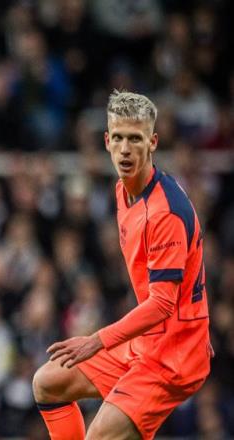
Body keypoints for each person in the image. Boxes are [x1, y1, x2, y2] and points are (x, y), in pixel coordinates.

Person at [33, 90, 212, 440]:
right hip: (148, 342)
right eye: (118, 138)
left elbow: (162, 304)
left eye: (135, 139)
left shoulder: (165, 213)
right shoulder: (122, 190)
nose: (125, 149)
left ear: (153, 142)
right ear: (106, 141)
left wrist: (96, 340)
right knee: (48, 383)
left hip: (174, 355)